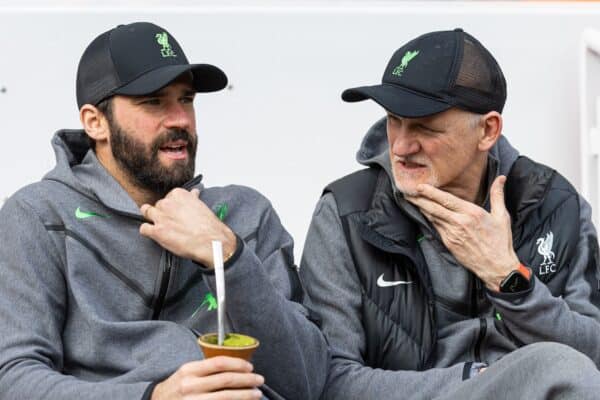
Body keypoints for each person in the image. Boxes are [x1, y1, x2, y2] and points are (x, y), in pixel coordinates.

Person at [0, 22, 328, 400]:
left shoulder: (245, 215)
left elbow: (308, 381)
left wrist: (227, 254)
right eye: (153, 101)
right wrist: (152, 396)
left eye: (186, 99)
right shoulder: (40, 216)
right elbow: (14, 378)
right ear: (95, 122)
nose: (180, 120)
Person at [300, 28, 600, 399]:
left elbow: (592, 362)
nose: (402, 146)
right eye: (394, 120)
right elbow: (328, 380)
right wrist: (481, 382)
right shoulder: (346, 212)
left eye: (425, 127)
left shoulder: (554, 204)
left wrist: (508, 279)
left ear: (488, 130)